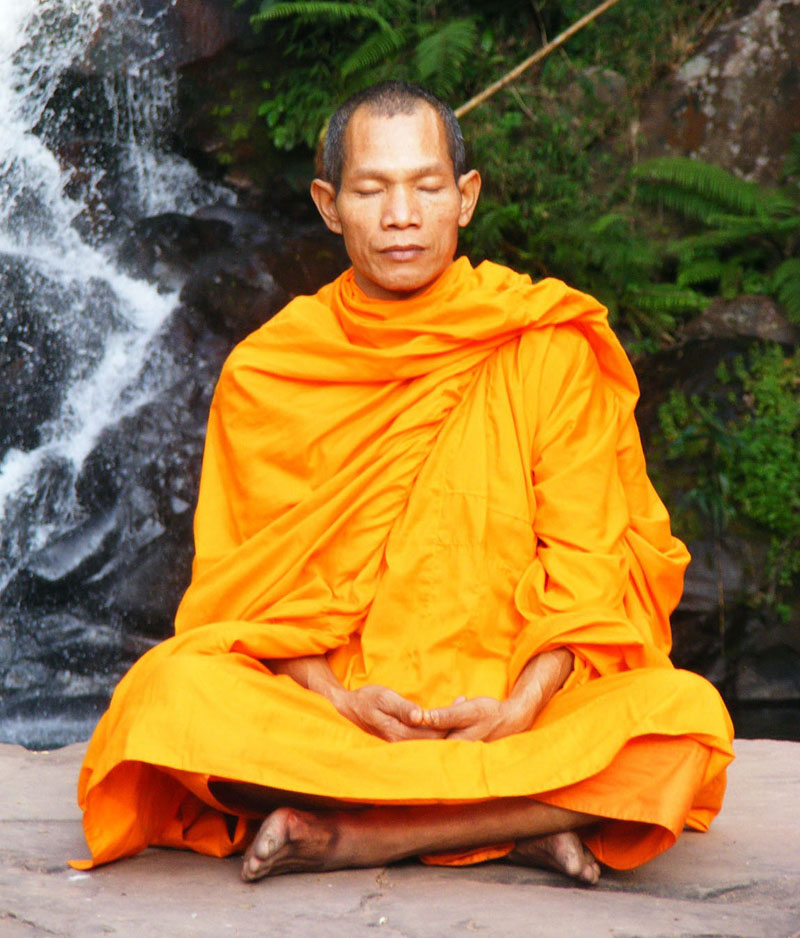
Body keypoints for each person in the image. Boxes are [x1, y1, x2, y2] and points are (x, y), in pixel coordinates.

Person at [72, 80, 734, 885]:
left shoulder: (543, 346)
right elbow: (242, 601)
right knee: (167, 697)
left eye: (426, 188)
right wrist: (337, 700)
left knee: (684, 719)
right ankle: (517, 822)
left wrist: (521, 705)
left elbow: (591, 568)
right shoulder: (274, 371)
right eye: (371, 190)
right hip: (341, 717)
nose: (401, 217)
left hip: (513, 714)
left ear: (466, 197)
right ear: (327, 203)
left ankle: (357, 836)